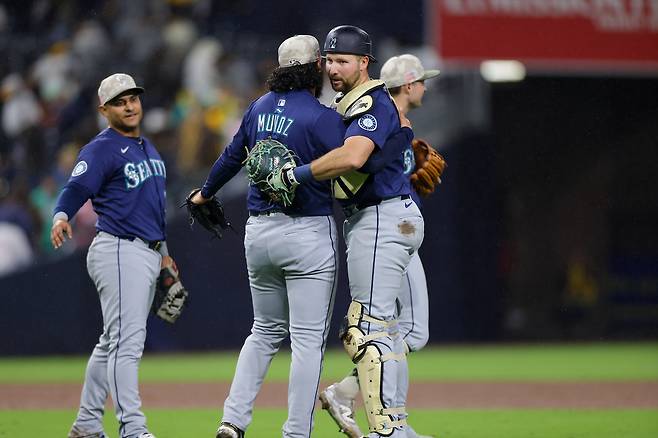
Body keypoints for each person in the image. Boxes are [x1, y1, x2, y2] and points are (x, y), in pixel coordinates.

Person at [189, 35, 346, 438]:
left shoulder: (258, 108)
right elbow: (353, 163)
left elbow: (231, 157)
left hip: (259, 233)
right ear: (316, 67)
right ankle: (296, 432)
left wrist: (205, 193)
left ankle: (232, 421)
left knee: (263, 332)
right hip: (307, 231)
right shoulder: (322, 117)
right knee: (307, 341)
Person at [278, 26, 424, 438]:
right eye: (329, 60)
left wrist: (295, 174)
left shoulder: (370, 100)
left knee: (368, 328)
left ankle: (386, 429)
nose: (333, 68)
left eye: (342, 60)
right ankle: (394, 425)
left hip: (380, 219)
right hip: (393, 217)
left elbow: (355, 156)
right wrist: (402, 140)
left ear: (364, 62)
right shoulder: (351, 103)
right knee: (395, 331)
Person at [319, 54, 440, 438]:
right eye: (421, 81)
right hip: (379, 226)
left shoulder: (399, 122)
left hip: (400, 228)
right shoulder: (380, 117)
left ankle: (349, 394)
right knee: (376, 328)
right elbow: (363, 168)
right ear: (409, 85)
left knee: (414, 332)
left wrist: (408, 180)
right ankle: (389, 427)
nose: (425, 87)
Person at [51, 73, 171, 438]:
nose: (130, 106)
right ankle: (132, 427)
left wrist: (165, 255)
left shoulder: (147, 146)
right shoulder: (101, 148)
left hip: (146, 251)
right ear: (104, 110)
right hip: (119, 248)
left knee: (111, 343)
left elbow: (152, 209)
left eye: (133, 98)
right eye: (120, 102)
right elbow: (76, 187)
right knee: (126, 344)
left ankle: (87, 424)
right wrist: (61, 215)